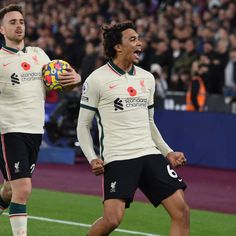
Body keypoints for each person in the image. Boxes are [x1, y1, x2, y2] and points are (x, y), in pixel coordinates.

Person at [77, 21, 190, 236]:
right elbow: (83, 125)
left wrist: (167, 152)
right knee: (112, 220)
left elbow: (149, 122)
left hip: (148, 153)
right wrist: (92, 157)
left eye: (138, 39)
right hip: (118, 157)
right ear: (118, 47)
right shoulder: (97, 79)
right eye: (133, 39)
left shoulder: (147, 79)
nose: (140, 43)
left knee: (182, 211)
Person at [0, 4, 81, 236]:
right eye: (13, 22)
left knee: (9, 189)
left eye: (21, 22)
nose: (18, 26)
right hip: (9, 130)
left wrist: (76, 78)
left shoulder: (39, 55)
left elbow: (63, 83)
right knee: (23, 188)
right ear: (1, 29)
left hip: (35, 131)